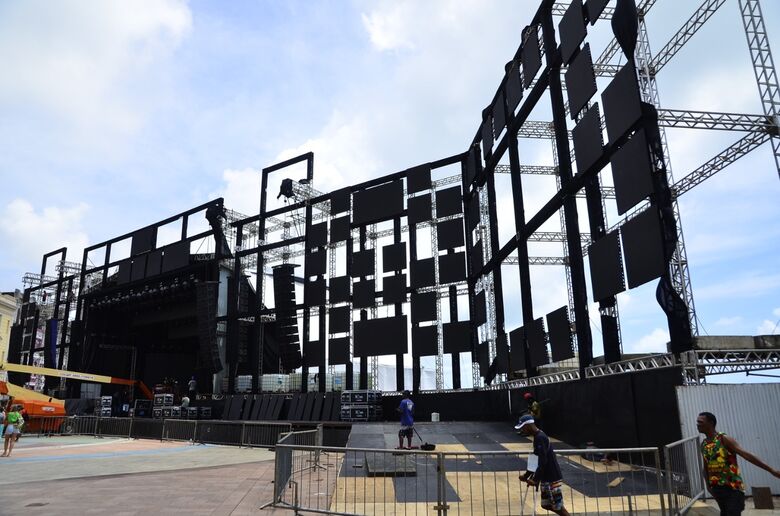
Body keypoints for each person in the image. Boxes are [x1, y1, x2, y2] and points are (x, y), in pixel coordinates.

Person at [697, 411, 780, 516]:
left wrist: (771, 470)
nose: (697, 424)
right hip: (717, 489)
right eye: (697, 422)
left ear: (711, 423)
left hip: (733, 489)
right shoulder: (704, 444)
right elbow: (706, 467)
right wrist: (708, 486)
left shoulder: (723, 439)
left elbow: (746, 455)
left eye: (700, 422)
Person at [516, 415, 570, 516]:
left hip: (552, 477)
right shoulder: (537, 437)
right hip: (546, 477)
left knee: (558, 506)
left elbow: (543, 460)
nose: (522, 430)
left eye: (523, 427)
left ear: (528, 426)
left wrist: (535, 479)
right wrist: (527, 475)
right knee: (546, 504)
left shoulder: (540, 438)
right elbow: (536, 460)